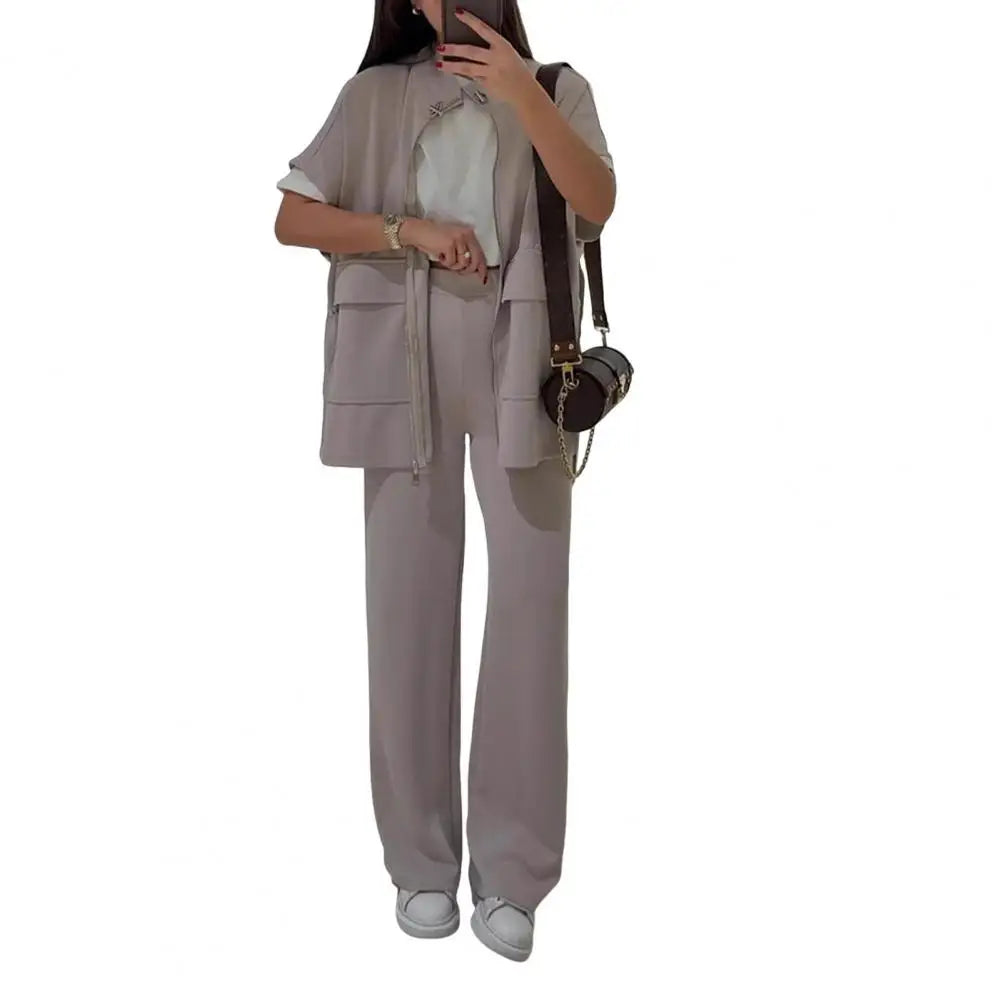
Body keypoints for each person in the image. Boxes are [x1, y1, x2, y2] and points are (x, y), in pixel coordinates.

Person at [273, 0, 615, 962]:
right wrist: (406, 230)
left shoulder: (555, 88)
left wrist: (520, 92)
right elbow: (292, 217)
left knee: (530, 609)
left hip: (526, 351)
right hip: (400, 348)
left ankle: (513, 871)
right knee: (406, 604)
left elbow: (595, 204)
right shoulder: (372, 96)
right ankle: (420, 862)